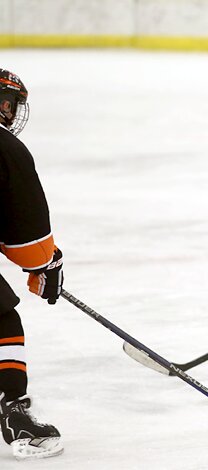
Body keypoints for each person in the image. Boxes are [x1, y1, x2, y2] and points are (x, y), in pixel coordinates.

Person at [0, 69, 64, 459]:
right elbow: (27, 236)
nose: (10, 112)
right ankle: (13, 411)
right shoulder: (7, 149)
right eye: (8, 104)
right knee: (2, 321)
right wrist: (45, 265)